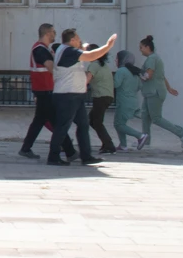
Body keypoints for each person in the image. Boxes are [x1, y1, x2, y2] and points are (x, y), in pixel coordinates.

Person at [47, 29, 116, 166]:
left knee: (83, 125)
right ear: (72, 40)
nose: (80, 41)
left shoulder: (65, 49)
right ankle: (53, 157)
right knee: (62, 126)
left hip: (75, 95)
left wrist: (83, 46)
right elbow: (90, 56)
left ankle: (86, 156)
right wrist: (108, 46)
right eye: (77, 39)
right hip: (67, 95)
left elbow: (83, 48)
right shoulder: (69, 51)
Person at [19, 24, 75, 161]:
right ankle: (70, 152)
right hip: (45, 91)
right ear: (48, 33)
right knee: (57, 122)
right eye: (54, 32)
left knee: (39, 121)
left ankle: (26, 148)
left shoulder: (42, 49)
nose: (55, 34)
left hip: (44, 90)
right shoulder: (40, 50)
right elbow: (51, 68)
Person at [138, 35, 183, 149]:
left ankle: (181, 132)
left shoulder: (152, 59)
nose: (140, 50)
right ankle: (146, 140)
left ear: (147, 47)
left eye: (141, 47)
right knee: (145, 116)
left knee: (156, 118)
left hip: (154, 93)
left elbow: (148, 76)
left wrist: (138, 73)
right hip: (151, 92)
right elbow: (161, 76)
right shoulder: (155, 58)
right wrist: (169, 88)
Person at [113, 50, 149, 151]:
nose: (115, 60)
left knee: (119, 124)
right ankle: (123, 145)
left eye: (117, 58)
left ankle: (140, 136)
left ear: (122, 60)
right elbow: (139, 86)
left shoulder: (121, 71)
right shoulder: (135, 72)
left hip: (124, 102)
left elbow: (116, 84)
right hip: (133, 101)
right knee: (120, 123)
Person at [85, 43, 116, 154]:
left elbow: (86, 81)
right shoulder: (103, 64)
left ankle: (109, 145)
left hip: (100, 97)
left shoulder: (94, 65)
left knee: (96, 122)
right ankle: (106, 143)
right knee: (93, 120)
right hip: (107, 96)